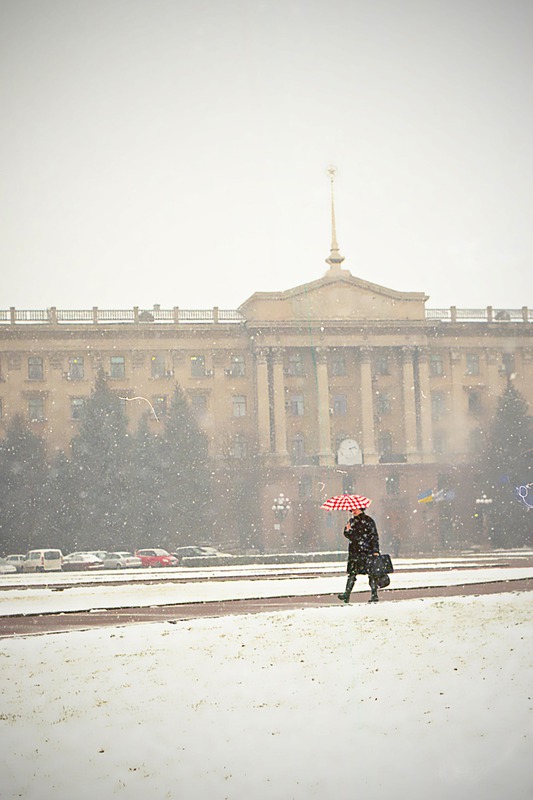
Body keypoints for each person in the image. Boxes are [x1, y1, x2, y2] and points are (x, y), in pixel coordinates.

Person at [338, 507, 381, 603]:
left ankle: (374, 595)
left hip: (367, 551)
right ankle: (346, 594)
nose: (353, 511)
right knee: (352, 574)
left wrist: (375, 550)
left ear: (361, 509)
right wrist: (347, 530)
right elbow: (349, 535)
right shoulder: (351, 521)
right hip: (354, 552)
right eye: (352, 510)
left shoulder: (368, 521)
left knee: (372, 574)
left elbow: (374, 536)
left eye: (355, 509)